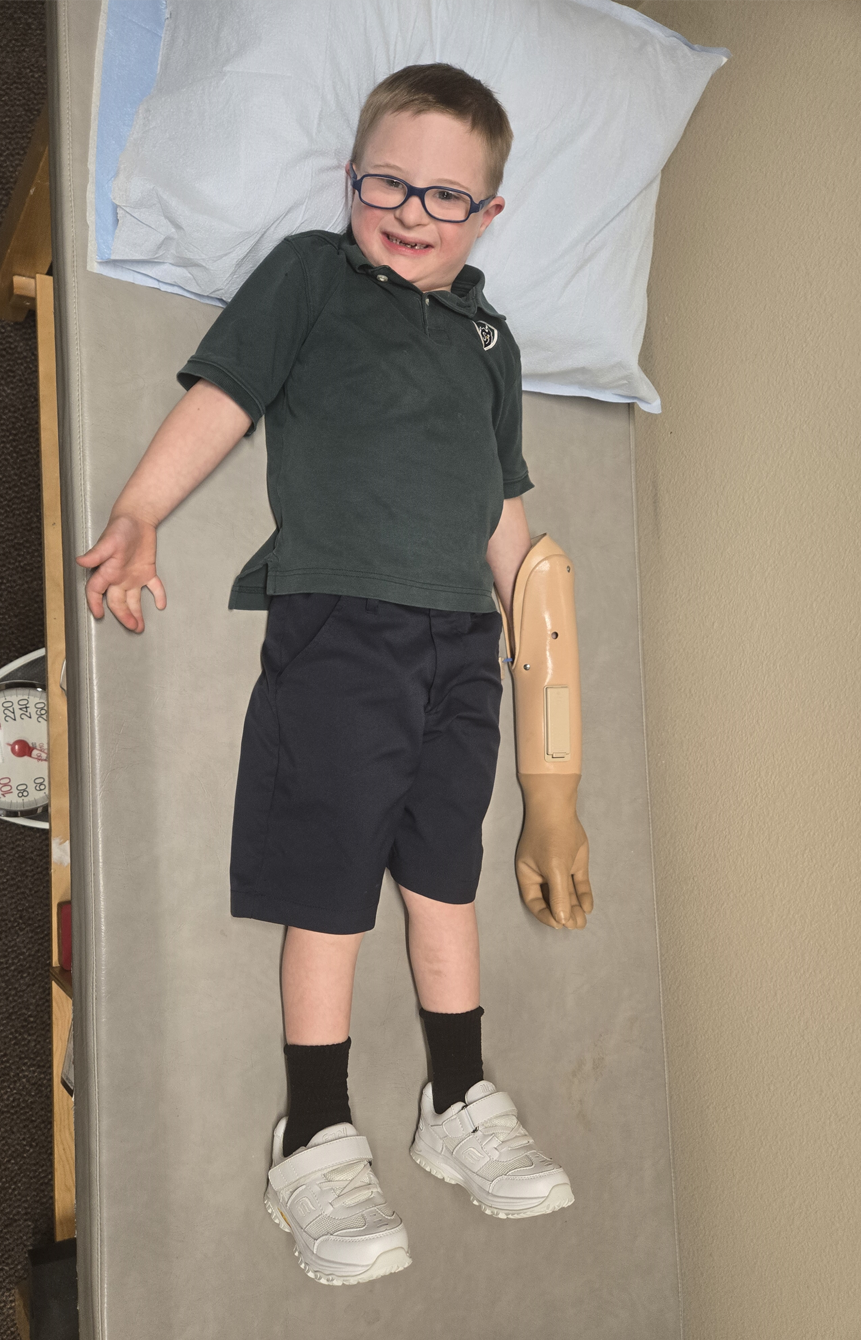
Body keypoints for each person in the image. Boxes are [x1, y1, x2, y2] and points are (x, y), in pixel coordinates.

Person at [78, 64, 575, 1287]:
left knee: (444, 874)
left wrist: (543, 641)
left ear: (489, 216)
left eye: (445, 196)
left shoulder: (490, 339)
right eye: (386, 182)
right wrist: (141, 510)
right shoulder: (311, 272)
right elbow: (227, 396)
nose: (411, 210)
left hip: (464, 645)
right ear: (349, 178)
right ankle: (314, 1128)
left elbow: (507, 508)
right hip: (341, 624)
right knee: (334, 885)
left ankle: (456, 1099)